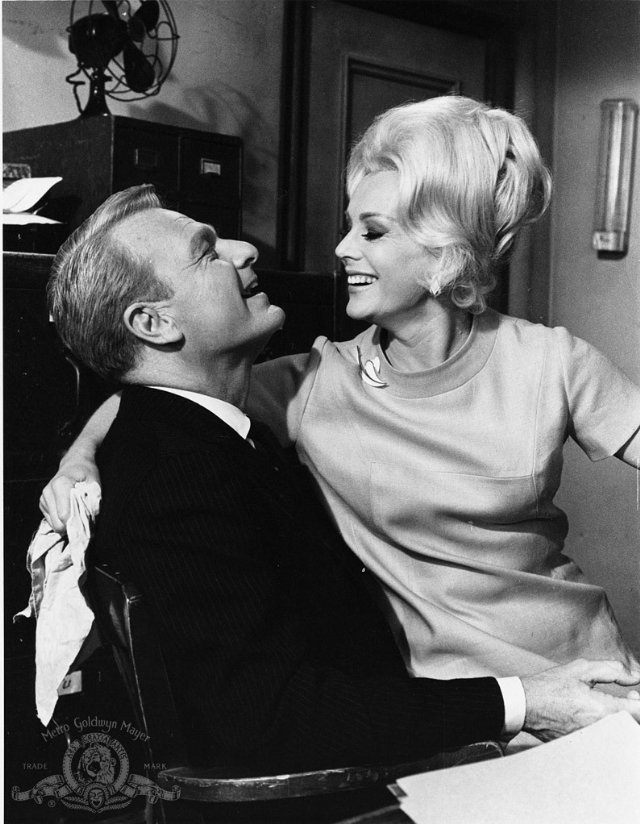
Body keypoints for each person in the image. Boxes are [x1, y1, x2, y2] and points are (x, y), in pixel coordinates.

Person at [44, 96, 640, 697]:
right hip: (461, 710)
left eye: (372, 232)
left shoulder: (551, 360)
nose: (342, 248)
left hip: (593, 677)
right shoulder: (314, 383)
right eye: (349, 226)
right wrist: (78, 458)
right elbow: (156, 398)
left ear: (445, 246)